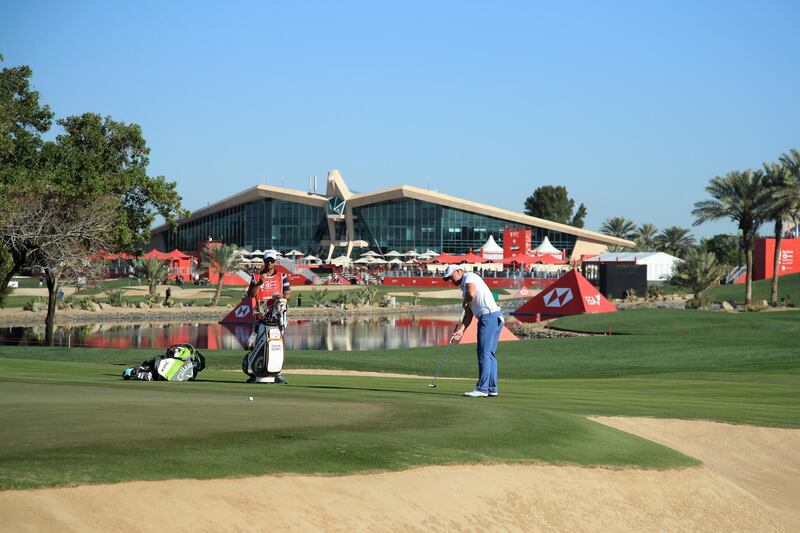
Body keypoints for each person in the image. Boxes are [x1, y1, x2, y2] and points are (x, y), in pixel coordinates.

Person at [443, 265, 503, 398]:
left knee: (483, 353)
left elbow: (471, 294)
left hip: (488, 317)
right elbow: (469, 314)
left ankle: (482, 388)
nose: (450, 281)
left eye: (451, 277)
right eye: (448, 279)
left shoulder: (469, 277)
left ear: (458, 271)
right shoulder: (464, 288)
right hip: (495, 317)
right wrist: (461, 330)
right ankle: (492, 388)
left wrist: (465, 301)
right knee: (490, 354)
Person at [246, 249, 291, 383]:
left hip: (277, 315)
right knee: (257, 344)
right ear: (264, 261)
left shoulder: (282, 276)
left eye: (272, 260)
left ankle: (278, 373)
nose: (269, 263)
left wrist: (281, 296)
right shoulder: (256, 277)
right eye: (267, 261)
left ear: (275, 261)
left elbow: (288, 295)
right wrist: (260, 283)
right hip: (260, 314)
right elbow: (250, 294)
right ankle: (255, 371)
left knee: (277, 344)